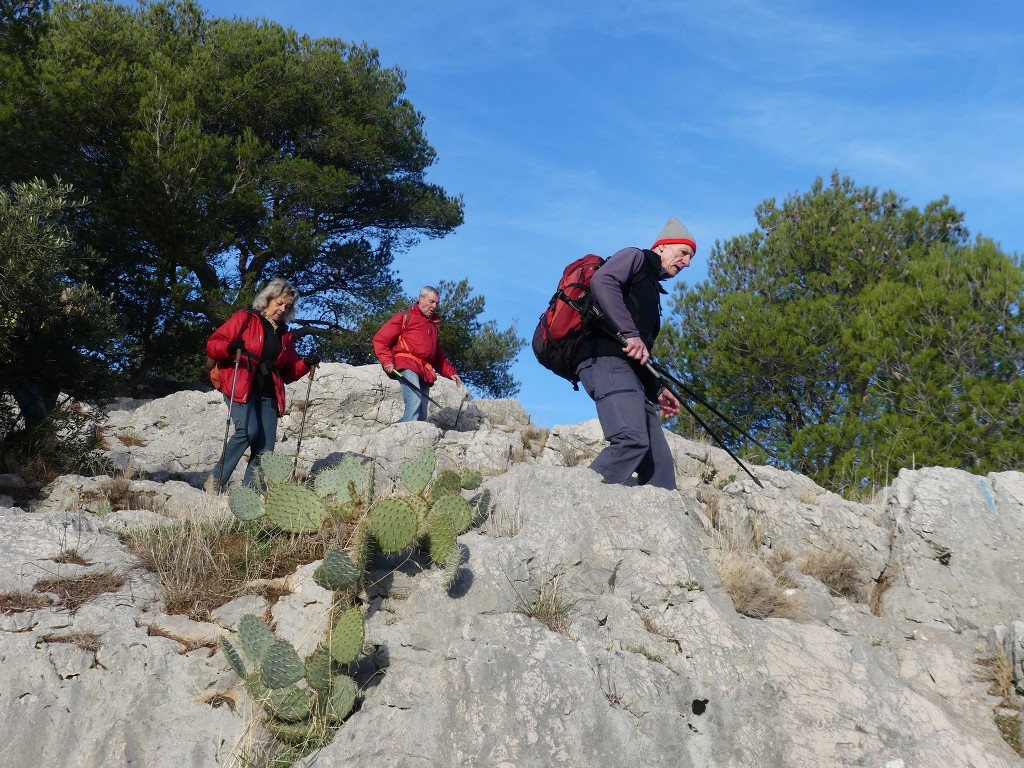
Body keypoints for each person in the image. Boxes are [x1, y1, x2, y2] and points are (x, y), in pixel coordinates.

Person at [573, 217, 696, 490]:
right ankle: (575, 497)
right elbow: (603, 281)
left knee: (660, 465)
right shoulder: (635, 257)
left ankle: (661, 521)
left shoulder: (650, 287)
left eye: (690, 258)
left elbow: (638, 351)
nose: (687, 262)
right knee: (631, 440)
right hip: (604, 361)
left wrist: (657, 389)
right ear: (662, 246)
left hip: (631, 375)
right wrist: (630, 332)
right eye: (684, 252)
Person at [206, 278, 319, 489]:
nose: (282, 309)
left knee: (266, 449)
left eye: (287, 306)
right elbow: (214, 344)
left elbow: (288, 372)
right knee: (248, 431)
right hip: (240, 385)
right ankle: (216, 480)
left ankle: (252, 493)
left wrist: (305, 363)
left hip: (268, 394)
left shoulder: (285, 336)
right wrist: (230, 347)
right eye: (279, 303)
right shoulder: (245, 319)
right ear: (267, 300)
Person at [373, 285, 462, 422]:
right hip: (406, 364)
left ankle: (390, 434)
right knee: (414, 402)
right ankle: (401, 440)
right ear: (421, 299)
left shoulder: (433, 327)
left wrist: (451, 373)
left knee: (421, 416)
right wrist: (387, 361)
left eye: (436, 303)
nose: (434, 306)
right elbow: (380, 339)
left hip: (425, 371)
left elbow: (438, 357)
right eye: (431, 301)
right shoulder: (405, 316)